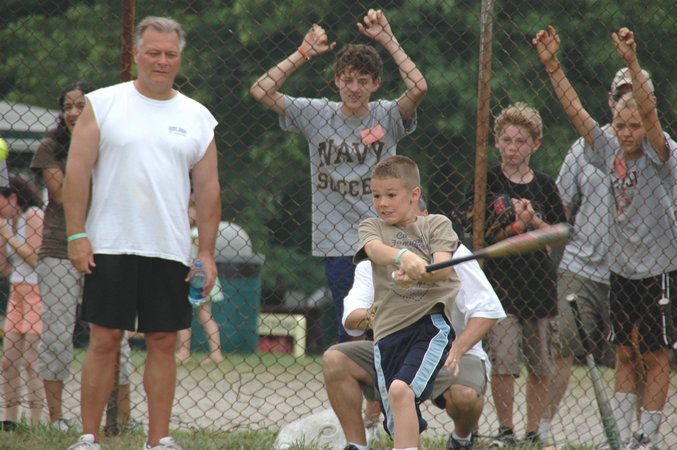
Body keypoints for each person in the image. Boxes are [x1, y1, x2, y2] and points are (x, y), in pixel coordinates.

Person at [62, 16, 221, 450]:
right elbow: (77, 172)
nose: (161, 61)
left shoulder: (198, 117)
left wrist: (206, 253)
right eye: (153, 52)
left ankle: (159, 440)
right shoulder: (103, 103)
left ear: (179, 58)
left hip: (169, 246)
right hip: (109, 242)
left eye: (170, 54)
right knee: (104, 338)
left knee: (164, 340)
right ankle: (89, 438)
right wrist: (76, 234)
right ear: (136, 54)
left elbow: (208, 190)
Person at [534, 25, 676, 448]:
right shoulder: (609, 150)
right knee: (625, 353)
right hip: (622, 268)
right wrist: (552, 65)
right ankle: (622, 436)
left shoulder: (660, 152)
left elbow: (650, 116)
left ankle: (647, 437)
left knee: (654, 354)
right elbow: (576, 112)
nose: (627, 132)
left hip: (658, 267)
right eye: (620, 125)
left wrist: (631, 60)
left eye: (634, 125)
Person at [250, 8, 427, 344]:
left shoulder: (386, 115)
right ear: (336, 81)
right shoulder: (317, 114)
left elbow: (418, 87)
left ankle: (386, 380)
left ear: (375, 84)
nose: (354, 88)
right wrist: (303, 53)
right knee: (353, 329)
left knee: (389, 327)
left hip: (386, 237)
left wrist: (388, 39)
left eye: (363, 81)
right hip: (339, 242)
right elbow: (261, 90)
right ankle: (356, 377)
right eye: (347, 79)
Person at [326, 222, 505, 450]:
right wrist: (386, 308)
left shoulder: (453, 253)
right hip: (394, 348)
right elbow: (351, 321)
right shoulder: (374, 259)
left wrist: (458, 349)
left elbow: (488, 310)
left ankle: (461, 439)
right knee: (336, 359)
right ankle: (357, 446)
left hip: (452, 351)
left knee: (465, 396)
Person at [540, 68, 648, 443]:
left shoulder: (657, 153)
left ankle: (636, 435)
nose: (626, 101)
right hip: (581, 266)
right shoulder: (585, 147)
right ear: (610, 100)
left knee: (634, 354)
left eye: (636, 94)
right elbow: (559, 206)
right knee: (564, 349)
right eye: (620, 94)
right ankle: (543, 431)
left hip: (631, 272)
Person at [29, 80, 135, 433]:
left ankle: (121, 419)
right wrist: (84, 149)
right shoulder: (50, 148)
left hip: (107, 246)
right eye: (67, 107)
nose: (73, 112)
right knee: (58, 335)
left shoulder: (114, 144)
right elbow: (62, 195)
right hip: (60, 248)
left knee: (115, 334)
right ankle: (56, 419)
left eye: (81, 105)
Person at [463, 102, 566, 447]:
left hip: (539, 284)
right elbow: (476, 232)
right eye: (506, 140)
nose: (513, 147)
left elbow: (559, 234)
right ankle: (506, 429)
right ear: (497, 142)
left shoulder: (545, 186)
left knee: (540, 363)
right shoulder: (488, 180)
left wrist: (532, 220)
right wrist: (515, 225)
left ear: (534, 144)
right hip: (500, 285)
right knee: (504, 359)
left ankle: (533, 430)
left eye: (521, 141)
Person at [352, 155, 460, 450]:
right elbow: (375, 251)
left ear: (414, 194)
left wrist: (419, 274)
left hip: (428, 327)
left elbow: (442, 269)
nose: (383, 203)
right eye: (376, 196)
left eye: (391, 195)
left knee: (401, 391)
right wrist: (403, 257)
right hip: (386, 334)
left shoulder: (436, 225)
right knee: (397, 420)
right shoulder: (372, 227)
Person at [0, 175, 45, 429]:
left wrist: (8, 236)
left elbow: (34, 259)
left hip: (36, 291)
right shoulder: (8, 222)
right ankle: (10, 418)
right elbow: (4, 269)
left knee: (30, 360)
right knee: (8, 360)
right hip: (16, 292)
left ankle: (37, 422)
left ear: (13, 197)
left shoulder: (33, 215)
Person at [176, 196, 224, 364]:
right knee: (200, 316)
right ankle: (211, 353)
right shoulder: (189, 232)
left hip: (198, 278)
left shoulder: (196, 233)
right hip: (192, 277)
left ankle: (186, 351)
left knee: (201, 315)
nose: (188, 213)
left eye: (191, 210)